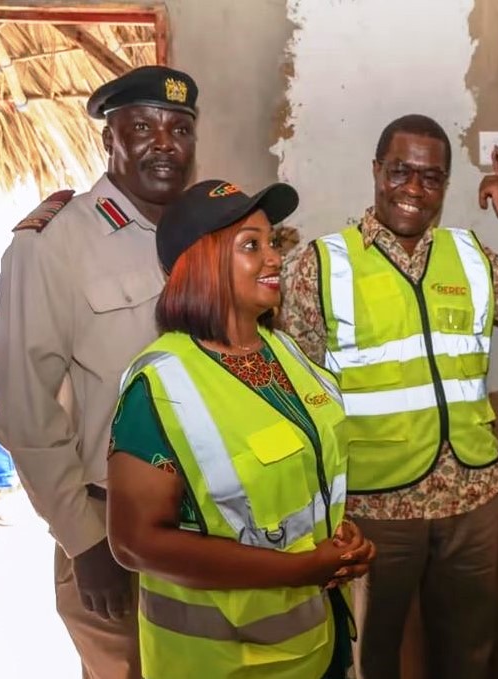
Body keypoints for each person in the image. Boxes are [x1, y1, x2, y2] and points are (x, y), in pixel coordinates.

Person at [279, 113, 498, 679]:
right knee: (371, 653)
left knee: (468, 651)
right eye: (400, 171)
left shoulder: (469, 256)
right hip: (374, 504)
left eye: (431, 177)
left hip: (473, 495)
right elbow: (299, 393)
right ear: (377, 172)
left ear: (446, 184)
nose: (414, 189)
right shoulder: (321, 265)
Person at [106, 179, 373, 678]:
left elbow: (305, 480)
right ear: (199, 264)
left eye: (273, 242)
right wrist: (299, 569)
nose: (274, 258)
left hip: (315, 641)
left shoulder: (285, 352)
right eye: (251, 245)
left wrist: (338, 544)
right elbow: (135, 543)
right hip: (223, 661)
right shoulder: (162, 383)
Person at [0, 65, 198, 678]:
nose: (165, 143)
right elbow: (19, 405)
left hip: (210, 519)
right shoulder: (51, 244)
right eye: (142, 127)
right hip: (111, 520)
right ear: (108, 140)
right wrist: (81, 541)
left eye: (180, 129)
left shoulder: (204, 236)